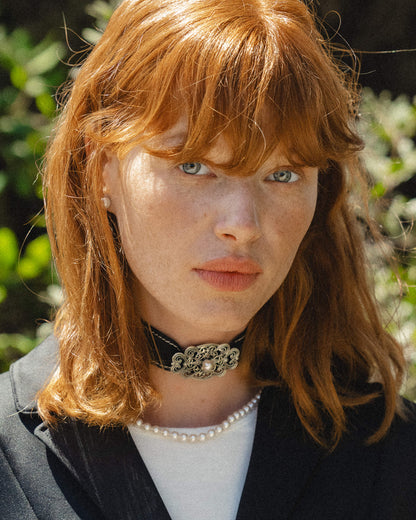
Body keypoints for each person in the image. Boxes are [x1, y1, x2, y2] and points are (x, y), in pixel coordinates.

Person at [1, 0, 416, 518]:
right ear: (101, 167)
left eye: (283, 174)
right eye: (194, 166)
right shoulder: (9, 450)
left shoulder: (392, 456)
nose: (242, 223)